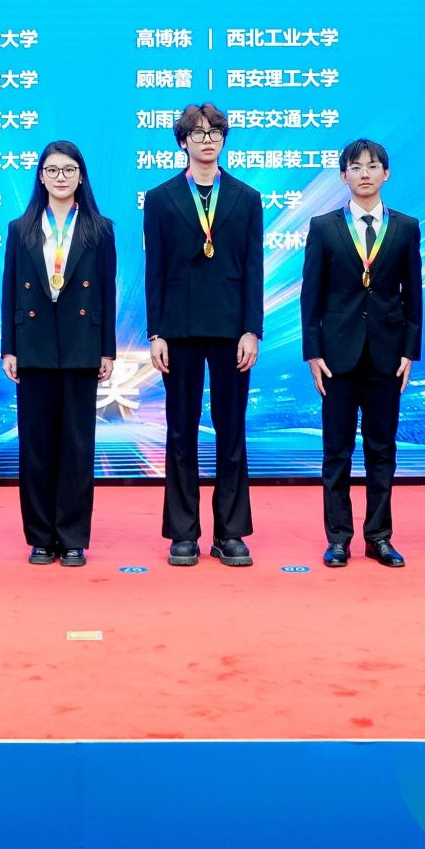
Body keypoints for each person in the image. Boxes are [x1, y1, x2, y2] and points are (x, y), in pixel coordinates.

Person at [144, 102, 264, 567]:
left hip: (232, 328)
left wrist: (252, 329)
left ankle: (230, 533)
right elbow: (155, 269)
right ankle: (183, 532)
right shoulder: (160, 198)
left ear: (224, 139)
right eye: (197, 132)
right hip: (179, 328)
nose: (207, 139)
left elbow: (253, 267)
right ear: (183, 142)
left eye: (214, 131)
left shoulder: (246, 197)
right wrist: (156, 332)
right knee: (181, 430)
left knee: (231, 430)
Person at [300, 138, 422, 568]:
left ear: (386, 173)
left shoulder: (405, 226)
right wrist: (313, 352)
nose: (364, 173)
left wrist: (410, 350)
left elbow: (413, 293)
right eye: (356, 167)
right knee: (336, 451)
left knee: (382, 450)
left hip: (387, 354)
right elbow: (310, 294)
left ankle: (379, 537)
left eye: (372, 166)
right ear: (343, 176)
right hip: (337, 355)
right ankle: (338, 539)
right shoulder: (324, 226)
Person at [1, 141, 116, 567]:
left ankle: (72, 538)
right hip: (33, 346)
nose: (61, 177)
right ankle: (40, 537)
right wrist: (9, 347)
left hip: (82, 346)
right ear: (41, 176)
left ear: (81, 176)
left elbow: (106, 291)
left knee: (77, 446)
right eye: (52, 170)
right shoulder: (21, 228)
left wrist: (107, 350)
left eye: (69, 170)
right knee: (35, 446)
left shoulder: (99, 229)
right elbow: (10, 288)